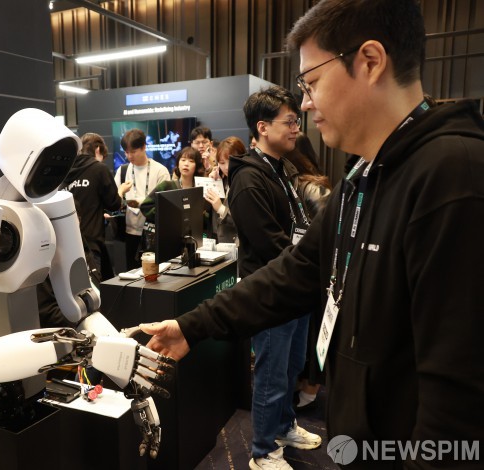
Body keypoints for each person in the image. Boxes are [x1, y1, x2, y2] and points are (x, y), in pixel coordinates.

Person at [141, 1, 484, 469]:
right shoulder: (363, 177)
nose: (305, 105)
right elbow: (294, 272)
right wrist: (191, 326)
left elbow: (457, 411)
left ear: (370, 61)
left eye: (312, 82)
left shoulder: (454, 176)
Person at [221, 85, 319, 470]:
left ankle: (283, 426)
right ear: (262, 127)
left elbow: (296, 227)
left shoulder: (282, 169)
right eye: (289, 122)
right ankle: (262, 452)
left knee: (291, 368)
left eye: (297, 121)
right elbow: (268, 242)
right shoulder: (249, 179)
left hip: (294, 287)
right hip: (271, 291)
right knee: (271, 374)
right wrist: (305, 264)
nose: (297, 128)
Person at [283, 132, 332, 412]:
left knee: (313, 334)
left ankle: (311, 386)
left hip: (315, 272)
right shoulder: (291, 184)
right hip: (304, 269)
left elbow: (328, 230)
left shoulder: (310, 186)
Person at [61, 132, 131, 280]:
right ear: (98, 150)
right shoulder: (99, 169)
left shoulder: (65, 171)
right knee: (92, 288)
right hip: (91, 243)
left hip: (67, 242)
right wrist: (121, 191)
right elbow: (114, 204)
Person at [114, 129, 170, 270]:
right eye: (126, 152)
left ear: (144, 147)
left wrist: (142, 202)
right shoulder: (122, 171)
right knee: (132, 273)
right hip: (130, 233)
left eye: (133, 152)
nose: (129, 156)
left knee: (154, 273)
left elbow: (165, 204)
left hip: (153, 232)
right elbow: (114, 199)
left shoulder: (160, 171)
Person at [205, 136, 244, 243]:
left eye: (231, 161)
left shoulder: (245, 182)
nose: (227, 167)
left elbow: (245, 221)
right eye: (222, 163)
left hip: (238, 244)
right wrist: (213, 183)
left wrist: (221, 208)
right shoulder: (222, 178)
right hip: (217, 240)